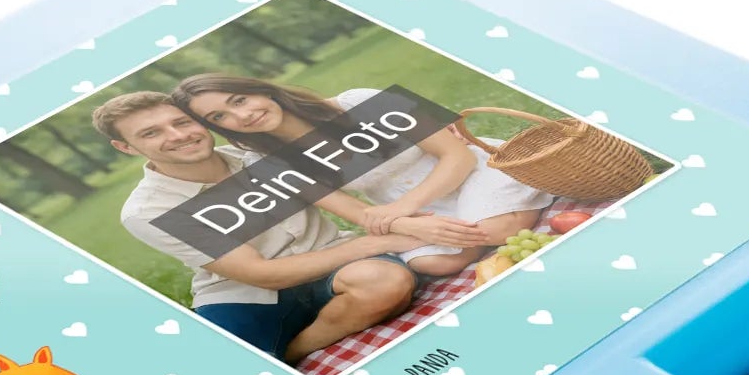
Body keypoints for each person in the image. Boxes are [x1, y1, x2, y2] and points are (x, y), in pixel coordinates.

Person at [92, 90, 491, 365]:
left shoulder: (261, 157)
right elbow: (261, 275)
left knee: (386, 282)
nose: (178, 136)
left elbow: (351, 197)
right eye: (151, 133)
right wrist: (377, 243)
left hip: (335, 262)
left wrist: (424, 131)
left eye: (181, 122)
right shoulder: (148, 210)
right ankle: (275, 355)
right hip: (244, 294)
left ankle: (293, 353)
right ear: (125, 147)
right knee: (226, 372)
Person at [172, 74, 554, 281]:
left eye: (239, 100)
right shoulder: (267, 161)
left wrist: (402, 209)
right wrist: (411, 224)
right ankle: (478, 233)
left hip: (470, 173)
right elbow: (354, 212)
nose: (241, 116)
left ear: (261, 90)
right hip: (413, 211)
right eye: (219, 117)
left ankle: (490, 226)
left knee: (485, 230)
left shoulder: (359, 101)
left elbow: (456, 155)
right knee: (431, 265)